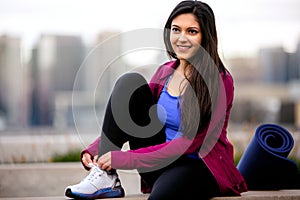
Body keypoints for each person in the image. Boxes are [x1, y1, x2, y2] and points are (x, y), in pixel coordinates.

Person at [65, 1, 248, 199]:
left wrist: (126, 158)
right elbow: (129, 118)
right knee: (130, 82)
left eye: (192, 31)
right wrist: (95, 150)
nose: (181, 38)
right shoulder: (165, 72)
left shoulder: (219, 80)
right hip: (159, 163)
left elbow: (189, 143)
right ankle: (106, 176)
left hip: (199, 167)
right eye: (176, 30)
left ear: (206, 37)